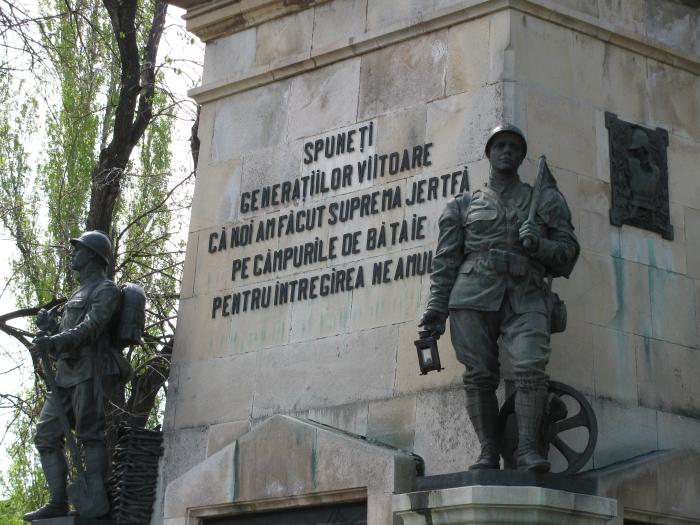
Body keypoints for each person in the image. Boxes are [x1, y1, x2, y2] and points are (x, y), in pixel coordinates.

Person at [420, 124, 579, 471]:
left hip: (527, 295)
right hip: (471, 296)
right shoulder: (462, 205)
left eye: (514, 147)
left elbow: (568, 253)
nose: (507, 151)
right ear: (489, 154)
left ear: (522, 156)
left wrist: (540, 244)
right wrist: (435, 309)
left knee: (531, 368)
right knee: (479, 376)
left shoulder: (545, 201)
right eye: (500, 145)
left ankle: (527, 449)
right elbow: (445, 262)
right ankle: (488, 451)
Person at [24, 231, 130, 521]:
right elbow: (69, 331)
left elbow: (91, 328)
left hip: (90, 370)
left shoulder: (106, 290)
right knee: (46, 435)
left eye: (78, 249)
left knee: (89, 435)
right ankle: (57, 502)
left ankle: (95, 503)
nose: (72, 253)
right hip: (65, 374)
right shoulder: (77, 292)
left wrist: (55, 341)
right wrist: (51, 329)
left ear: (93, 255)